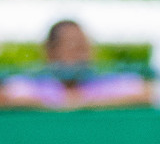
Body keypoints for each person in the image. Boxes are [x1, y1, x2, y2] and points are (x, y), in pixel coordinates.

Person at [1, 19, 151, 110]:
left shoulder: (100, 81)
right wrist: (61, 102)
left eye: (84, 46)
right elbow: (6, 97)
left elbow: (145, 92)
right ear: (51, 51)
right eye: (72, 47)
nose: (81, 54)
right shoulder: (36, 84)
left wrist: (82, 102)